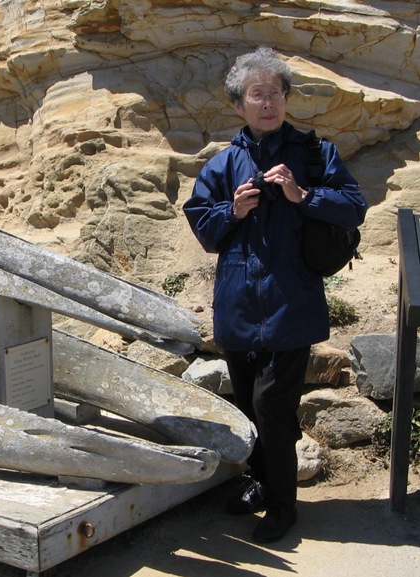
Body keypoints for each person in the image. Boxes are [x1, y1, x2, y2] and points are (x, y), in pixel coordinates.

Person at [182, 47, 367, 544]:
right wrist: (233, 211)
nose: (268, 103)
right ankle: (263, 486)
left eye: (276, 93)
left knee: (272, 406)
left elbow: (354, 207)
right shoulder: (223, 164)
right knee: (247, 406)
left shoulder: (314, 155)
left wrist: (303, 195)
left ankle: (284, 507)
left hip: (292, 303)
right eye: (257, 95)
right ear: (239, 105)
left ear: (286, 99)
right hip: (239, 305)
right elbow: (203, 225)